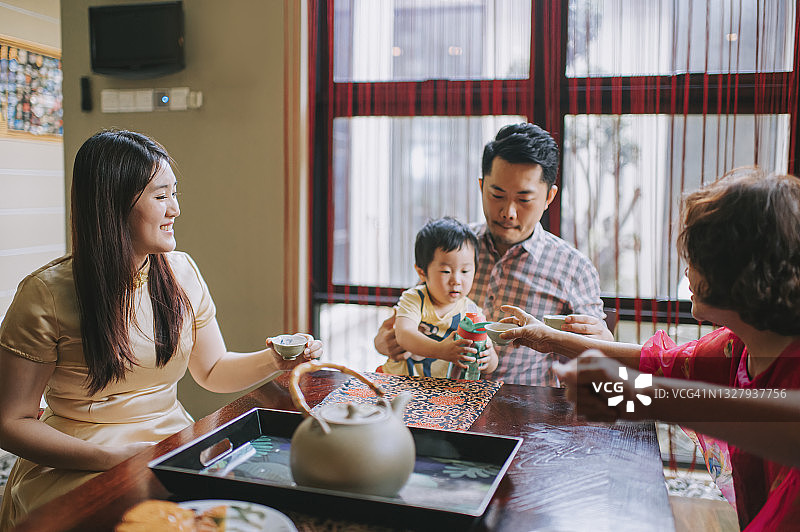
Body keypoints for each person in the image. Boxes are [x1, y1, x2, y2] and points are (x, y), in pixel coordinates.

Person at [0, 130, 323, 530]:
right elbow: (10, 422)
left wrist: (275, 359)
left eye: (175, 193)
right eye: (160, 196)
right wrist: (111, 460)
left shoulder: (182, 271)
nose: (175, 209)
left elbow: (213, 369)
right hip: (78, 457)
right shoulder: (45, 293)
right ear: (113, 203)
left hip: (170, 446)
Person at [498, 167, 800, 530]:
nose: (687, 271)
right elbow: (656, 362)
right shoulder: (737, 345)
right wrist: (544, 337)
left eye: (699, 260)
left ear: (742, 271)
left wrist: (638, 395)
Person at [375, 123, 612, 386]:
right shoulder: (455, 247)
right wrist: (384, 342)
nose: (508, 212)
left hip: (522, 414)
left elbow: (601, 350)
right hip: (442, 400)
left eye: (524, 200)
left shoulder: (574, 268)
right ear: (481, 187)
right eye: (497, 194)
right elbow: (411, 315)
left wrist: (601, 339)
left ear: (549, 198)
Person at [382, 217, 498, 378]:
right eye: (446, 271)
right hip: (399, 383)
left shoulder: (472, 312)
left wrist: (488, 358)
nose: (456, 280)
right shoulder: (414, 299)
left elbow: (489, 361)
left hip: (440, 392)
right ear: (422, 272)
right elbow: (404, 334)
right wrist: (441, 350)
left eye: (465, 271)